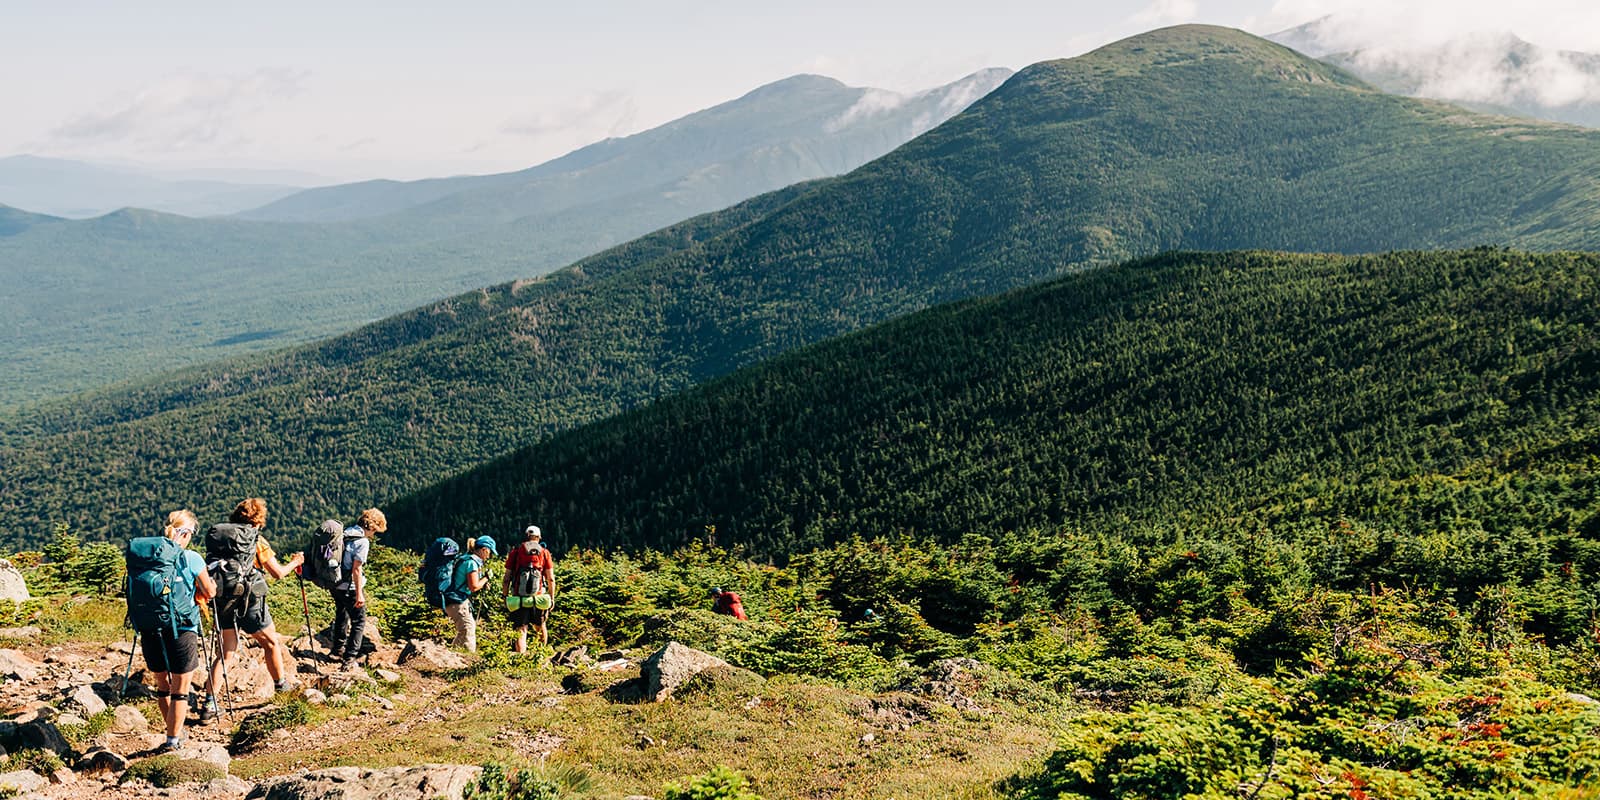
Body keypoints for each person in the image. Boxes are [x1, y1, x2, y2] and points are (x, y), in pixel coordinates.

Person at [199, 498, 305, 722]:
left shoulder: (220, 539)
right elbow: (277, 573)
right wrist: (296, 562)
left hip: (222, 598)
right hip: (250, 600)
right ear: (258, 519)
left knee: (226, 653)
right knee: (270, 642)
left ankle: (209, 703)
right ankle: (281, 685)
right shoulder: (256, 540)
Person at [128, 510, 217, 753]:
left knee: (162, 684)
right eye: (191, 533)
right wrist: (212, 587)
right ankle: (172, 740)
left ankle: (173, 731)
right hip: (182, 628)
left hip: (149, 626)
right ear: (186, 533)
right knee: (181, 688)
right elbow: (209, 592)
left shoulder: (144, 558)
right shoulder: (191, 558)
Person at [328, 508, 385, 672]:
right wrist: (359, 593)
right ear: (373, 527)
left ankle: (336, 650)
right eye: (376, 531)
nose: (375, 535)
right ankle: (349, 658)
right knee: (359, 622)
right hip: (349, 587)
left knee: (341, 614)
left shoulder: (345, 533)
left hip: (335, 584)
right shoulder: (362, 541)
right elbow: (356, 570)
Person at [502, 525, 556, 652]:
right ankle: (542, 655)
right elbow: (551, 579)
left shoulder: (515, 553)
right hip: (538, 597)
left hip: (519, 598)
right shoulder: (545, 553)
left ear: (526, 536)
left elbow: (506, 579)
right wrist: (552, 598)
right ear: (538, 537)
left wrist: (505, 596)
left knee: (521, 629)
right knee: (541, 625)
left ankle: (522, 658)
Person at [444, 535, 497, 653]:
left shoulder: (465, 558)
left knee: (464, 630)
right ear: (484, 550)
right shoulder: (472, 563)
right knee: (468, 629)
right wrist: (486, 578)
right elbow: (473, 587)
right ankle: (468, 659)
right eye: (489, 553)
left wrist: (482, 581)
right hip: (457, 601)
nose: (489, 556)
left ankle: (453, 655)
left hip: (452, 599)